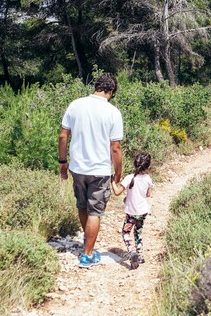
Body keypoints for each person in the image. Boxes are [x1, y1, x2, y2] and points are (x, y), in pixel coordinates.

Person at [58, 73, 123, 268]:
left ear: (96, 87)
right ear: (111, 91)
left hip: (77, 167)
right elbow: (115, 148)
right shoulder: (113, 112)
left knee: (82, 205)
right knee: (95, 211)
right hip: (100, 170)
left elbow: (63, 136)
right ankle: (87, 254)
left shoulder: (75, 105)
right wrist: (118, 172)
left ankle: (87, 244)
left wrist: (62, 161)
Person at [111, 151, 153, 270]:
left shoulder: (129, 178)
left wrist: (113, 182)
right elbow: (148, 194)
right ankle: (140, 255)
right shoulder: (148, 179)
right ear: (148, 166)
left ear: (135, 163)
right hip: (143, 212)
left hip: (131, 213)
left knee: (125, 232)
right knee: (138, 232)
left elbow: (117, 192)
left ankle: (132, 252)